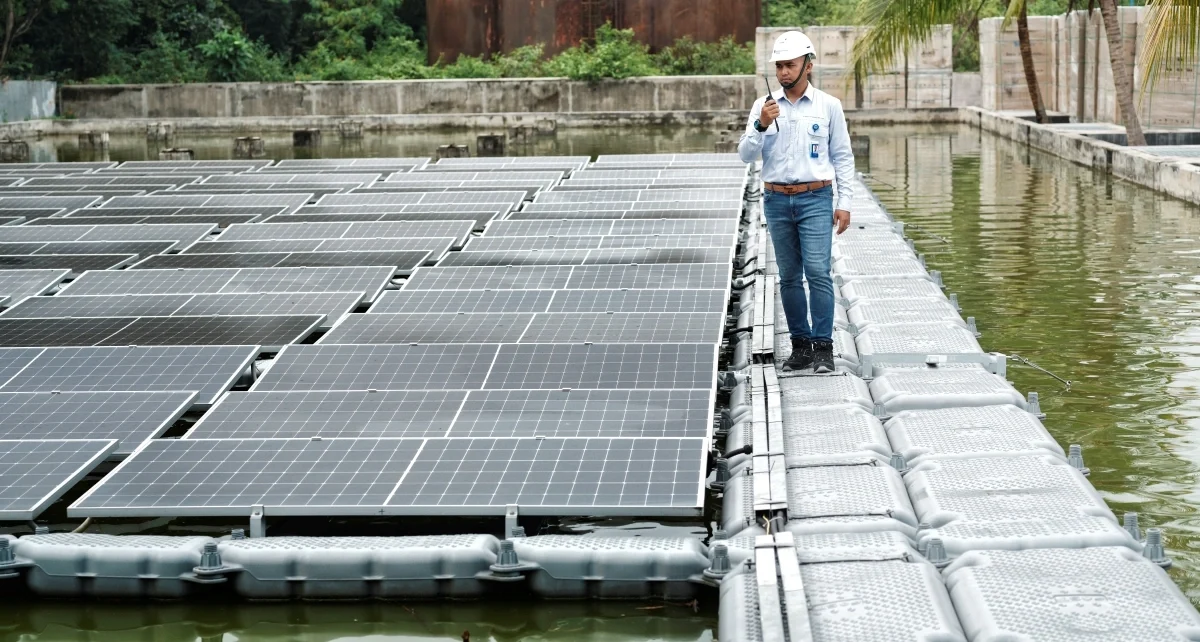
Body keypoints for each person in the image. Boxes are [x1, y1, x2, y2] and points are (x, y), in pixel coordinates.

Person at [737, 30, 855, 374]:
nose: (784, 72)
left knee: (818, 272)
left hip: (816, 198)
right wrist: (761, 125)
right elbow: (745, 154)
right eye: (779, 66)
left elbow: (843, 156)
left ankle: (824, 348)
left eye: (790, 65)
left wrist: (844, 201)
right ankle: (800, 347)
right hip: (776, 199)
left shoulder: (828, 106)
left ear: (808, 65)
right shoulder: (764, 107)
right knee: (788, 276)